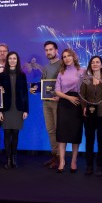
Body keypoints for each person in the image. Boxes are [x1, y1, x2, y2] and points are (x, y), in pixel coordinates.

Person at [80, 55, 102, 176]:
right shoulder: (86, 79)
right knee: (89, 140)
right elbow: (82, 95)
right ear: (90, 65)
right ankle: (89, 166)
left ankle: (100, 167)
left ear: (101, 64)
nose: (95, 64)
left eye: (97, 62)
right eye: (93, 62)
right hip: (89, 114)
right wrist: (84, 107)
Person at [30, 41, 61, 169]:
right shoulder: (46, 67)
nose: (48, 52)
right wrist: (34, 89)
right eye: (46, 50)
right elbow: (44, 84)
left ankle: (61, 158)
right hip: (46, 102)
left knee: (59, 130)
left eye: (51, 49)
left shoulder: (63, 64)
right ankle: (55, 155)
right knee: (50, 130)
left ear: (56, 50)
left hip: (58, 102)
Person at [54, 48, 85, 173]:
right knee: (62, 134)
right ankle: (62, 161)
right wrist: (68, 97)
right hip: (64, 104)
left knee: (75, 134)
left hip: (77, 103)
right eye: (64, 56)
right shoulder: (61, 73)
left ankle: (73, 161)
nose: (66, 58)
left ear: (74, 57)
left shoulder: (82, 71)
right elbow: (57, 91)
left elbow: (86, 88)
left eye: (69, 56)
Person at [0, 52, 29, 169]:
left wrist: (26, 110)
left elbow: (25, 94)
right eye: (10, 58)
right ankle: (8, 159)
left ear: (17, 60)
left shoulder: (22, 75)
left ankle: (14, 157)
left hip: (18, 109)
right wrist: (0, 111)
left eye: (14, 58)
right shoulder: (2, 75)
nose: (12, 60)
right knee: (7, 133)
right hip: (6, 109)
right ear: (7, 61)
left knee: (15, 133)